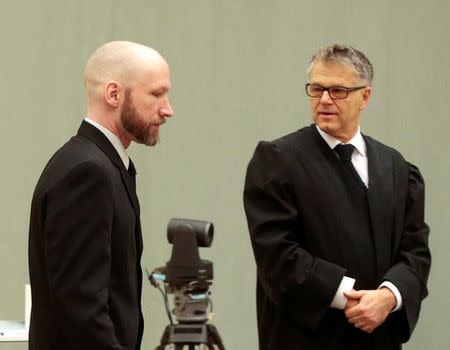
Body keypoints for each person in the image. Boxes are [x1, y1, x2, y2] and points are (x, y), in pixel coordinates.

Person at [243, 44, 431, 350]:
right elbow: (277, 254)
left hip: (378, 337)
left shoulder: (396, 166)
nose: (325, 100)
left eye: (338, 91)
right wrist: (352, 298)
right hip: (306, 338)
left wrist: (388, 296)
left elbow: (415, 250)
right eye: (317, 89)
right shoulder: (279, 160)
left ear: (365, 97)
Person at [28, 41, 173, 350]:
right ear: (113, 94)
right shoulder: (88, 173)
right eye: (156, 94)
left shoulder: (101, 165)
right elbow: (81, 309)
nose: (167, 109)